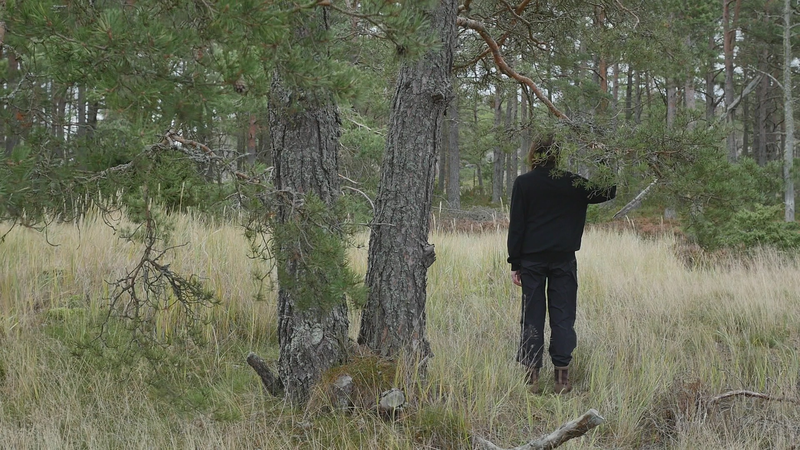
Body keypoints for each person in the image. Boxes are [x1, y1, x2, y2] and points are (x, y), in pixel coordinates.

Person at [507, 134, 616, 394]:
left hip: (532, 261)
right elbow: (608, 191)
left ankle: (531, 380)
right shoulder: (573, 183)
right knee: (563, 317)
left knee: (532, 317)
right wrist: (603, 157)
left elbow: (517, 226)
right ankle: (561, 381)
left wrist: (515, 263)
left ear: (533, 154)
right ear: (558, 156)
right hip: (564, 260)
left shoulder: (524, 183)